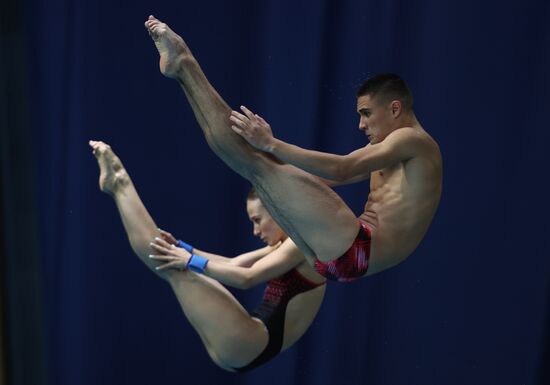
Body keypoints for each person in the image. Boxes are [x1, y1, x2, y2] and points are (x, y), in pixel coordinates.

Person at [143, 16, 442, 282]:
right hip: (341, 256)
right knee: (256, 165)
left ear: (394, 108)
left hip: (357, 247)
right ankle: (182, 71)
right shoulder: (395, 150)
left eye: (366, 113)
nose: (361, 126)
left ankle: (184, 63)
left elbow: (343, 167)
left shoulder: (412, 140)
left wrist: (272, 145)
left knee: (257, 160)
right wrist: (281, 178)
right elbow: (337, 177)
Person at [89, 140, 326, 372]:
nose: (255, 231)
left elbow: (247, 278)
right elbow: (234, 264)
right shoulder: (287, 245)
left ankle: (120, 184)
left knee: (169, 263)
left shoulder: (300, 242)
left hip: (251, 340)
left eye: (257, 220)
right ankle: (119, 186)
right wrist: (187, 249)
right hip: (247, 343)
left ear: (275, 209)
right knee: (171, 260)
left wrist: (191, 261)